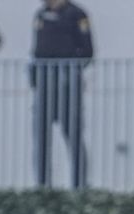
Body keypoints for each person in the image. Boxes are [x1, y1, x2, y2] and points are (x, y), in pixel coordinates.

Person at [30, 0, 93, 190]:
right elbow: (37, 48)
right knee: (41, 138)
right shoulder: (41, 13)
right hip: (44, 83)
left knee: (73, 135)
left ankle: (79, 185)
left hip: (68, 84)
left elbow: (87, 51)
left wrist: (72, 70)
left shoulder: (77, 14)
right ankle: (42, 185)